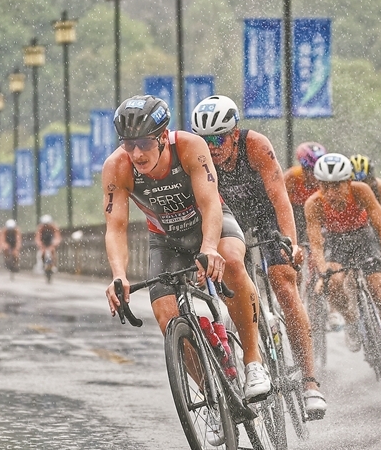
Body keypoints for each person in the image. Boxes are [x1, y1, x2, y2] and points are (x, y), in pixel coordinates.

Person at [103, 95, 272, 424]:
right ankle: (214, 395)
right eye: (129, 144)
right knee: (166, 315)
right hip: (166, 239)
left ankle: (254, 363)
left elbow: (210, 204)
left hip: (209, 224)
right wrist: (119, 275)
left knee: (233, 262)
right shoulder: (117, 167)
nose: (137, 153)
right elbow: (116, 227)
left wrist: (209, 248)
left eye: (145, 143)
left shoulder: (191, 147)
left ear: (163, 137)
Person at [191, 95, 327, 417]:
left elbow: (280, 198)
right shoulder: (196, 157)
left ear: (235, 133)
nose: (212, 147)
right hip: (228, 219)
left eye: (218, 138)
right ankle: (249, 368)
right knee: (230, 292)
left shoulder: (256, 146)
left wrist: (291, 244)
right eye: (204, 140)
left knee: (284, 285)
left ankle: (310, 383)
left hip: (265, 215)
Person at [304, 153, 381, 380]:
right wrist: (323, 268)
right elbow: (316, 242)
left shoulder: (362, 191)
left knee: (380, 292)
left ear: (348, 182)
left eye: (336, 187)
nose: (331, 193)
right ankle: (351, 320)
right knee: (333, 283)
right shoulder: (314, 204)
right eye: (325, 187)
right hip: (337, 242)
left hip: (365, 239)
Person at [284, 142, 327, 245]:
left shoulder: (325, 180)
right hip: (295, 212)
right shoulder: (292, 177)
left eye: (319, 170)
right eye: (312, 170)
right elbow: (282, 204)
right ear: (304, 168)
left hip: (317, 212)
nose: (316, 176)